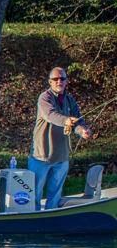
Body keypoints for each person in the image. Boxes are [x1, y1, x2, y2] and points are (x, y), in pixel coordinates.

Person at [28, 67, 91, 210]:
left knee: (54, 198)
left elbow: (78, 122)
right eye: (55, 79)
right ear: (50, 81)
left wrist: (83, 131)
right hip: (41, 156)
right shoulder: (44, 98)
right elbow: (50, 115)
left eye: (62, 78)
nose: (59, 81)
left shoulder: (70, 100)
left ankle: (51, 218)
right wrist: (66, 120)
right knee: (34, 195)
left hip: (62, 157)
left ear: (66, 81)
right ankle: (34, 219)